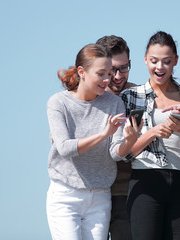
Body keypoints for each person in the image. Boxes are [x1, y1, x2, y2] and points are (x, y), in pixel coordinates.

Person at [46, 43, 142, 240]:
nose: (108, 80)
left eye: (109, 73)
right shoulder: (58, 103)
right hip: (66, 195)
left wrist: (130, 141)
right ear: (82, 71)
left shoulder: (114, 102)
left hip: (100, 196)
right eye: (101, 74)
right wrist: (103, 134)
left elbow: (115, 152)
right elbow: (65, 148)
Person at [120, 31, 180, 240]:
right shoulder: (130, 97)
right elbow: (124, 153)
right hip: (145, 179)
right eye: (154, 61)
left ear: (176, 61)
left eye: (166, 61)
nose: (160, 67)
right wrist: (152, 133)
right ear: (145, 60)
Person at [96, 35, 135, 240]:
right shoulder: (85, 98)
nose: (119, 76)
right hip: (92, 193)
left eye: (124, 68)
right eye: (112, 71)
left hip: (126, 191)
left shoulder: (139, 96)